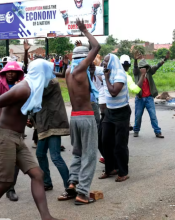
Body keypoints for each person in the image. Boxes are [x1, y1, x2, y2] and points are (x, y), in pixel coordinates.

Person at [0, 59, 59, 220]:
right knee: (5, 182)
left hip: (17, 138)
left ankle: (46, 217)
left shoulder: (30, 88)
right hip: (5, 136)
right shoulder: (23, 89)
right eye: (48, 73)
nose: (51, 76)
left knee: (37, 175)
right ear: (42, 74)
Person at [65, 18, 100, 205]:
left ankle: (72, 183)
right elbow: (96, 47)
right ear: (84, 58)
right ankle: (83, 193)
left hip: (74, 118)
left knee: (78, 153)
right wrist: (85, 30)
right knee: (90, 155)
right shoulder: (80, 69)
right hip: (86, 117)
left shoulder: (69, 72)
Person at [0, 61, 24, 201]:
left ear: (18, 73)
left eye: (13, 72)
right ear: (3, 73)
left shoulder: (22, 86)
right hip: (2, 127)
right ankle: (7, 186)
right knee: (5, 161)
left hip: (17, 128)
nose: (10, 74)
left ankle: (10, 186)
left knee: (16, 161)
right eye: (8, 71)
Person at [29, 76, 71, 200]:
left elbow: (36, 94)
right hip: (45, 123)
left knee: (55, 156)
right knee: (40, 154)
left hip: (53, 123)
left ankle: (69, 186)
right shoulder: (43, 81)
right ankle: (47, 182)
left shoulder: (50, 82)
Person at [98, 53, 130, 182]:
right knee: (105, 141)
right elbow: (93, 69)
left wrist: (106, 78)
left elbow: (114, 92)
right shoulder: (107, 71)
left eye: (106, 61)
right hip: (109, 112)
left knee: (120, 145)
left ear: (112, 62)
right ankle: (110, 169)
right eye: (104, 61)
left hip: (121, 112)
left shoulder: (120, 74)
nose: (104, 63)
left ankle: (123, 172)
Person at [133, 51, 170, 138]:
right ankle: (136, 130)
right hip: (140, 98)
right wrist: (135, 60)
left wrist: (165, 59)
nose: (143, 69)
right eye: (142, 67)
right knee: (138, 116)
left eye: (145, 67)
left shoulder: (149, 72)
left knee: (153, 116)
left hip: (149, 98)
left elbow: (157, 66)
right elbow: (134, 68)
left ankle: (157, 132)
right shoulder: (137, 73)